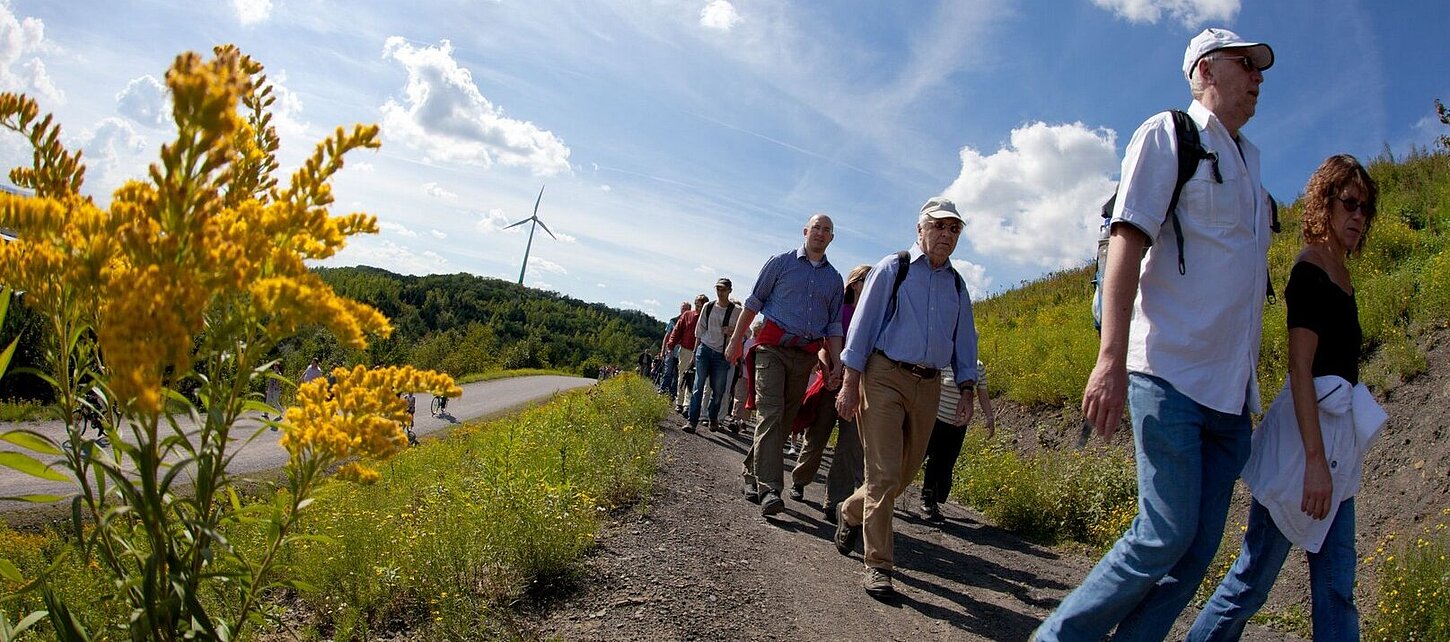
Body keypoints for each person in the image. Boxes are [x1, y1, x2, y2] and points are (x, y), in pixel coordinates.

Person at [1035, 27, 1277, 641]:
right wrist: (1109, 358)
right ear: (1204, 72)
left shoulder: (1251, 161)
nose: (1256, 76)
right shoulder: (1170, 134)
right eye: (1243, 64)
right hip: (1168, 373)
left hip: (1229, 398)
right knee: (1163, 533)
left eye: (1259, 68)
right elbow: (1127, 243)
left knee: (1193, 555)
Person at [1187, 155, 1384, 642]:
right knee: (1252, 582)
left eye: (1367, 208)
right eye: (1350, 204)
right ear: (1325, 202)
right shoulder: (1310, 269)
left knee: (1338, 587)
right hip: (1303, 448)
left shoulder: (1342, 273)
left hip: (1337, 449)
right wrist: (1314, 461)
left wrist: (1330, 458)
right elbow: (1301, 368)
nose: (1359, 216)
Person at [833, 197, 978, 597]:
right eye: (939, 226)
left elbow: (965, 340)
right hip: (883, 376)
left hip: (930, 384)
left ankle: (849, 511)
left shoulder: (957, 284)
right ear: (920, 229)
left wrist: (967, 389)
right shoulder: (892, 268)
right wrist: (850, 382)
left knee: (904, 474)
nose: (946, 235)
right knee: (882, 473)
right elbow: (861, 328)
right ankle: (879, 564)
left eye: (954, 229)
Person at [725, 213, 844, 518]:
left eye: (826, 230)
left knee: (785, 420)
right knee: (771, 414)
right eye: (816, 227)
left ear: (832, 238)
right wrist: (737, 339)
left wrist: (836, 365)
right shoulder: (780, 263)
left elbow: (833, 325)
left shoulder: (834, 280)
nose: (820, 233)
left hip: (805, 356)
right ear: (805, 231)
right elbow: (754, 301)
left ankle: (751, 473)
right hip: (772, 350)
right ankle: (770, 490)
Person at [789, 264, 871, 521]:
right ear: (855, 283)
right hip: (831, 382)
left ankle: (834, 501)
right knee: (818, 435)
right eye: (867, 280)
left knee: (850, 445)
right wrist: (828, 370)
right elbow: (824, 346)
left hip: (858, 387)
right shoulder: (840, 311)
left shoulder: (875, 316)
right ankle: (800, 479)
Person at [919, 360, 995, 521]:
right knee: (921, 458)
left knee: (945, 463)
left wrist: (990, 417)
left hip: (958, 425)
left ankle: (931, 500)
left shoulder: (978, 367)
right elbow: (928, 387)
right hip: (935, 421)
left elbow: (983, 395)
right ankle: (895, 492)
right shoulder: (944, 363)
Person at [687, 278, 739, 433]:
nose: (720, 292)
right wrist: (695, 352)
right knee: (698, 386)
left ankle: (713, 417)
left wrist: (731, 331)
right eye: (718, 289)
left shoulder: (736, 311)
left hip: (722, 354)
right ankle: (692, 421)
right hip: (705, 349)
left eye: (723, 289)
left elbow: (745, 333)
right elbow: (699, 329)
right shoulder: (708, 307)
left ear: (730, 290)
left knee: (718, 391)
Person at [665, 295, 707, 415]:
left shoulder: (707, 318)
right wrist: (671, 345)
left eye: (701, 306)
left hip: (701, 351)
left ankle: (687, 404)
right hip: (686, 349)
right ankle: (679, 401)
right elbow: (677, 330)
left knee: (694, 379)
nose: (698, 308)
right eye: (697, 305)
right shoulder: (687, 315)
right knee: (683, 375)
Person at [658, 302, 689, 397]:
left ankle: (672, 393)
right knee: (667, 371)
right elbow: (667, 336)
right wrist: (663, 351)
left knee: (678, 374)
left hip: (682, 351)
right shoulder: (673, 321)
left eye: (686, 309)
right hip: (671, 350)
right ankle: (662, 390)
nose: (684, 310)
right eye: (683, 308)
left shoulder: (690, 322)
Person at [264, 361, 283, 428]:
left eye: (276, 367)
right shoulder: (272, 373)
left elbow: (278, 383)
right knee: (267, 401)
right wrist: (268, 389)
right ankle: (265, 414)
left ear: (278, 368)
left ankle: (281, 412)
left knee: (275, 402)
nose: (275, 368)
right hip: (270, 389)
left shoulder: (279, 374)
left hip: (276, 390)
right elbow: (269, 382)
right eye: (274, 367)